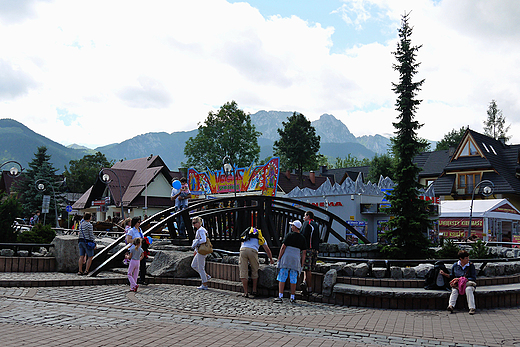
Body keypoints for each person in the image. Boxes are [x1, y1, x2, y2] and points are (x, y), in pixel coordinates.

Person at [274, 220, 307, 304]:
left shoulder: (289, 235)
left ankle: (280, 296)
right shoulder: (302, 238)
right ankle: (292, 297)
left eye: (292, 225)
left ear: (295, 227)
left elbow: (283, 247)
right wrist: (302, 264)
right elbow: (304, 253)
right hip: (295, 259)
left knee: (282, 276)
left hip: (286, 258)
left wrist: (279, 258)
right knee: (293, 278)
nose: (291, 227)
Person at [238, 226, 274, 298]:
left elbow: (242, 244)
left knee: (243, 271)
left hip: (243, 250)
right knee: (255, 270)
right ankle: (254, 290)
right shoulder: (260, 238)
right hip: (253, 251)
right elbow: (267, 250)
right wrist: (271, 259)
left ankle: (245, 292)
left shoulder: (246, 236)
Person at [440, 250, 477, 315]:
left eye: (468, 258)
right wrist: (445, 274)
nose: (468, 259)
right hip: (458, 285)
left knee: (468, 290)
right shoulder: (455, 265)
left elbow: (473, 277)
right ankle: (451, 306)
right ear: (461, 259)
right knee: (454, 290)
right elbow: (452, 276)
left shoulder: (471, 266)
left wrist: (462, 279)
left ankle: (472, 308)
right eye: (466, 258)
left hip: (468, 284)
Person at [300, 211, 320, 296]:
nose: (304, 217)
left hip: (308, 248)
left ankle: (309, 289)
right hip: (315, 249)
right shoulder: (316, 224)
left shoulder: (307, 223)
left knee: (307, 269)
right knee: (308, 268)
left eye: (304, 216)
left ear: (308, 216)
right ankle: (304, 282)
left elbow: (303, 235)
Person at [126, 217, 149, 285]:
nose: (139, 223)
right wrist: (136, 240)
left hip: (140, 249)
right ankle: (130, 280)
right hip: (134, 249)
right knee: (133, 266)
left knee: (142, 265)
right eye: (138, 222)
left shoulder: (140, 229)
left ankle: (142, 279)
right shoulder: (131, 230)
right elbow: (128, 240)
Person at [190, 216, 211, 290]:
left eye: (194, 223)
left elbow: (204, 240)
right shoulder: (200, 230)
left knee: (200, 267)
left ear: (199, 223)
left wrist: (197, 242)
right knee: (194, 265)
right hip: (199, 250)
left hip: (202, 250)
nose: (193, 224)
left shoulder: (201, 230)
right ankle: (206, 276)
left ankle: (204, 283)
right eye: (193, 223)